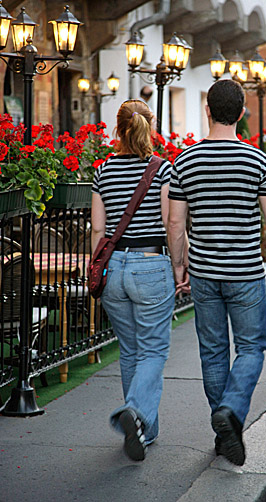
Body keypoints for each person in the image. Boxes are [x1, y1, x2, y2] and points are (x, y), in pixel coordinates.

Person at [167, 80, 266, 467]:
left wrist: (179, 265)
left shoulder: (185, 161)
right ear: (242, 113)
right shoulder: (258, 161)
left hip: (204, 272)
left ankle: (223, 430)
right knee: (252, 347)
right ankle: (232, 411)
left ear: (207, 111)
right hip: (245, 272)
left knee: (213, 351)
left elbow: (176, 223)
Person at [91, 99, 175, 461]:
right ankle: (137, 415)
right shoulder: (163, 170)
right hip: (150, 263)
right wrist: (181, 265)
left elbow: (98, 228)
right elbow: (171, 223)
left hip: (114, 269)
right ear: (149, 126)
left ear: (118, 128)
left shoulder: (103, 170)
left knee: (131, 350)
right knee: (154, 349)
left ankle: (143, 429)